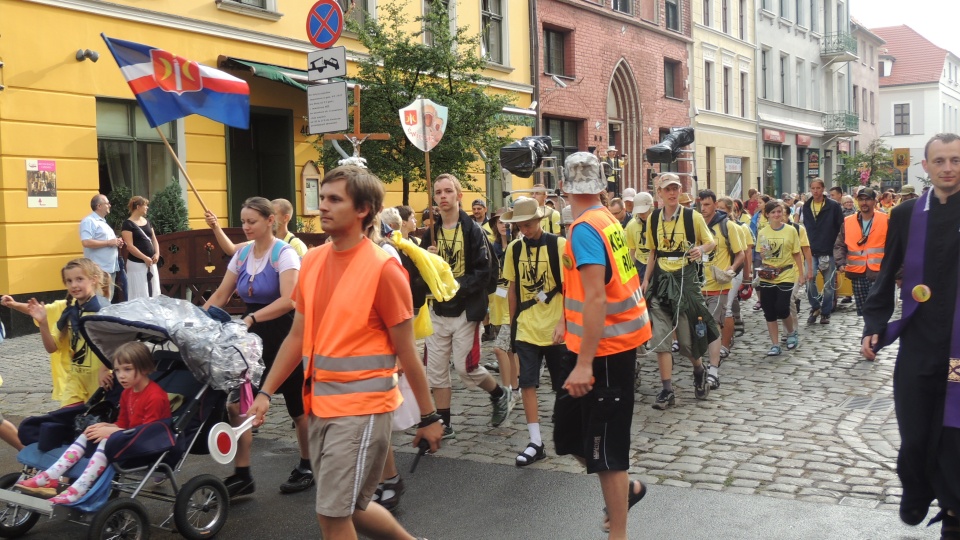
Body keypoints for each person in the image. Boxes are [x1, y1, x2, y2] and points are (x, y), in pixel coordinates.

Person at [247, 165, 442, 540]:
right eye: (322, 198)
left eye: (335, 199)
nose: (322, 206)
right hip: (320, 405)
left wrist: (429, 416)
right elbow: (296, 336)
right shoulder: (315, 260)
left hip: (364, 409)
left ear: (363, 210)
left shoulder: (384, 269)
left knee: (331, 515)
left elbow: (408, 352)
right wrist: (265, 392)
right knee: (352, 508)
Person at [861, 133, 960, 538]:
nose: (948, 168)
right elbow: (887, 272)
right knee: (915, 431)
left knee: (955, 434)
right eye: (940, 161)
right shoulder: (905, 215)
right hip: (918, 342)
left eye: (955, 160)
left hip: (959, 350)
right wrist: (874, 325)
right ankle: (916, 486)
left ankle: (953, 516)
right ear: (926, 167)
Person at [555, 152, 651, 539]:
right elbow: (590, 289)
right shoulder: (605, 219)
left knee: (607, 453)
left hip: (604, 353)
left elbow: (597, 297)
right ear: (601, 186)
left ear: (564, 186)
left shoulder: (584, 228)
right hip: (597, 347)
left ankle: (619, 532)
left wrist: (584, 363)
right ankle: (625, 492)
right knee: (569, 436)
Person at [202, 197, 309, 498]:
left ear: (270, 221)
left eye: (252, 221)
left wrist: (251, 318)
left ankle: (308, 464)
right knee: (239, 403)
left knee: (297, 408)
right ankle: (242, 474)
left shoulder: (284, 254)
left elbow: (290, 299)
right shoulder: (243, 254)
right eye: (243, 221)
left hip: (282, 333)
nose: (245, 226)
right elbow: (222, 293)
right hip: (251, 337)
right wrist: (197, 318)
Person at [16, 342, 170, 504]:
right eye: (117, 370)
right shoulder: (127, 393)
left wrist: (111, 432)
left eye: (127, 369)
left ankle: (79, 488)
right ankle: (51, 476)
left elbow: (147, 432)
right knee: (90, 431)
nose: (121, 376)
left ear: (145, 368)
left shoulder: (155, 397)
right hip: (131, 438)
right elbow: (123, 423)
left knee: (105, 440)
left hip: (149, 446)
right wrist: (106, 426)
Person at [425, 174, 512, 437]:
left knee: (466, 368)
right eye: (438, 192)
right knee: (436, 370)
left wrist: (455, 287)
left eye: (448, 191)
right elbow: (417, 270)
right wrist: (425, 260)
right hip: (438, 310)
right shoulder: (431, 232)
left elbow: (484, 272)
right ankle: (444, 424)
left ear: (458, 195)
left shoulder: (473, 231)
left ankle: (499, 394)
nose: (443, 196)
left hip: (465, 309)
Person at [499, 198, 567, 467]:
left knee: (562, 385)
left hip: (554, 327)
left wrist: (564, 323)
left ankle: (567, 431)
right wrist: (513, 323)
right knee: (527, 383)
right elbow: (512, 289)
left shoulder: (558, 246)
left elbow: (570, 288)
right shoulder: (514, 249)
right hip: (527, 327)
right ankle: (535, 441)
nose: (524, 230)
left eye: (527, 225)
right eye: (519, 226)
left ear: (539, 221)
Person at [642, 174, 718, 409]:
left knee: (686, 343)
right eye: (667, 189)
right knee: (661, 338)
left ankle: (699, 369)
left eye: (675, 188)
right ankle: (667, 389)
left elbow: (711, 242)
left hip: (685, 280)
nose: (672, 193)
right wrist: (646, 281)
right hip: (661, 282)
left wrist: (700, 249)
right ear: (660, 193)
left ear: (680, 191)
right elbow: (653, 252)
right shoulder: (653, 219)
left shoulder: (691, 216)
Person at [2, 259, 111, 407]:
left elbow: (116, 344)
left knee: (92, 426)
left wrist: (105, 369)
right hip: (75, 382)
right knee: (64, 421)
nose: (74, 285)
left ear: (94, 279)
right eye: (69, 281)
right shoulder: (68, 310)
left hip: (99, 382)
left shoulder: (104, 311)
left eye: (79, 279)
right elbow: (51, 347)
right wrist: (43, 323)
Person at [698, 190, 745, 389]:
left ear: (715, 204)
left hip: (719, 285)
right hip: (697, 286)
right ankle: (700, 366)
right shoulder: (696, 224)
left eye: (707, 205)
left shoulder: (728, 226)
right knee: (697, 331)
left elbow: (741, 254)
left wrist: (731, 270)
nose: (703, 209)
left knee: (713, 326)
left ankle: (713, 369)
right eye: (701, 204)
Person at [756, 201, 804, 355]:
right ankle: (775, 344)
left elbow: (797, 253)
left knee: (782, 308)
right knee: (769, 310)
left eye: (779, 212)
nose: (776, 215)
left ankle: (791, 332)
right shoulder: (763, 232)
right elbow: (763, 255)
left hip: (786, 273)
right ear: (767, 215)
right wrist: (764, 253)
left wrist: (801, 275)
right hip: (768, 275)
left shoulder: (791, 230)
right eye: (773, 212)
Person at [834, 188, 887, 317]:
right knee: (864, 312)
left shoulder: (885, 220)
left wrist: (897, 272)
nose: (864, 203)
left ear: (874, 201)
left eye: (868, 199)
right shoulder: (848, 222)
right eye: (861, 199)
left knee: (878, 310)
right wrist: (840, 263)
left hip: (879, 273)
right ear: (857, 201)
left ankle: (876, 335)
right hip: (857, 273)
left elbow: (895, 246)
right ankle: (869, 335)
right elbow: (839, 245)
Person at [801, 178, 844, 325]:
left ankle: (825, 312)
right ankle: (815, 307)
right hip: (811, 250)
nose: (815, 191)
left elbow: (841, 227)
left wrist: (840, 248)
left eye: (818, 188)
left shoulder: (833, 206)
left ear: (823, 189)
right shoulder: (806, 206)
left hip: (829, 249)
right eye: (812, 188)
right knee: (809, 281)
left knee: (828, 286)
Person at [205, 198, 308, 258]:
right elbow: (232, 249)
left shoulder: (296, 245)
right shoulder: (259, 242)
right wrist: (216, 226)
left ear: (286, 218)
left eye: (273, 214)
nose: (269, 217)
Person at [79, 194, 122, 300]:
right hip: (98, 270)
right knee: (99, 301)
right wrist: (108, 242)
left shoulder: (102, 222)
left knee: (106, 301)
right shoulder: (89, 221)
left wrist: (116, 242)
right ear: (99, 206)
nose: (109, 205)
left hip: (109, 269)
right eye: (107, 203)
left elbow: (106, 241)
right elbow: (86, 242)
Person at [120, 196, 160, 300]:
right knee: (138, 290)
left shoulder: (147, 221)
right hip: (136, 263)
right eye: (145, 205)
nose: (147, 208)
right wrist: (144, 258)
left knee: (154, 288)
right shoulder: (127, 224)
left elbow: (154, 239)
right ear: (138, 207)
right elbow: (130, 246)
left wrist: (157, 254)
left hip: (151, 262)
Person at [624, 192, 654, 283]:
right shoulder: (631, 226)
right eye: (639, 212)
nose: (642, 214)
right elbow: (632, 250)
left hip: (657, 265)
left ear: (651, 207)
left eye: (644, 211)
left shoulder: (659, 222)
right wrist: (628, 272)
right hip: (640, 264)